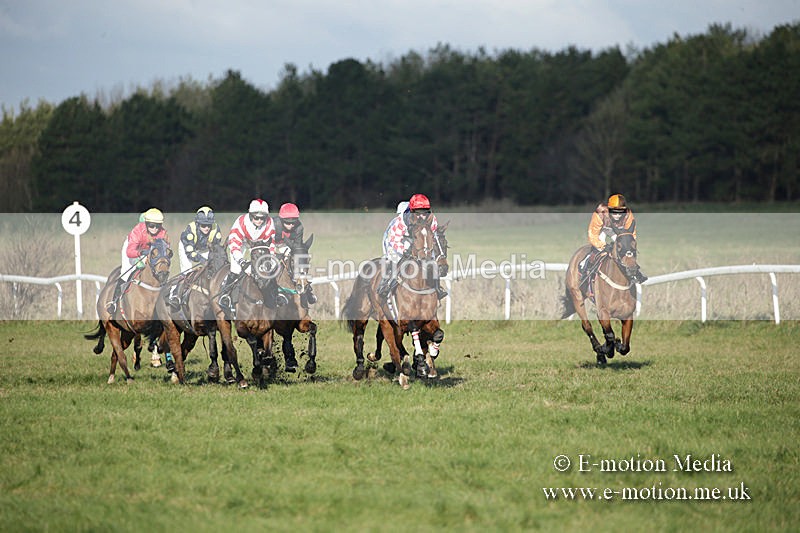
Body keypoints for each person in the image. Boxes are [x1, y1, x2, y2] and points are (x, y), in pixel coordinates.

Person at [217, 199, 283, 315]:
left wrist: (271, 259)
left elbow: (271, 244)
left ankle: (276, 294)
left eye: (262, 218)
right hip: (241, 244)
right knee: (236, 270)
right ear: (250, 215)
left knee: (268, 269)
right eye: (256, 217)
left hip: (259, 246)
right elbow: (234, 246)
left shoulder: (270, 223)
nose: (259, 220)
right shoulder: (241, 222)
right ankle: (225, 295)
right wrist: (243, 262)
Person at [378, 194, 447, 300]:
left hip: (416, 238)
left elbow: (434, 237)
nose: (422, 216)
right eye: (418, 213)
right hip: (395, 239)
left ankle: (438, 288)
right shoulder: (402, 221)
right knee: (395, 259)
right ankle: (385, 285)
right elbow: (394, 240)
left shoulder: (432, 220)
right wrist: (404, 251)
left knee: (431, 259)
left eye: (424, 212)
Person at [109, 208, 170, 313]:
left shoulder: (163, 233)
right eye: (152, 225)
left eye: (158, 226)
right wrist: (140, 254)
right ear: (146, 224)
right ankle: (114, 302)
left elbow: (165, 251)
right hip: (133, 249)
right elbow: (130, 252)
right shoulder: (137, 231)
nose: (155, 228)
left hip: (149, 252)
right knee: (125, 273)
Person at [583, 193, 647, 283]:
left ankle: (635, 272)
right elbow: (593, 235)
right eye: (614, 212)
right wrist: (603, 246)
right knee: (598, 249)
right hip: (602, 229)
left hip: (618, 231)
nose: (617, 215)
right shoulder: (600, 213)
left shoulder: (628, 214)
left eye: (620, 212)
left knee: (627, 249)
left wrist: (629, 247)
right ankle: (587, 270)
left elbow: (631, 235)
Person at [272, 202, 316, 306]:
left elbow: (297, 247)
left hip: (286, 245)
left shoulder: (299, 227)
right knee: (271, 263)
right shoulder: (273, 224)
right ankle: (271, 287)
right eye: (287, 223)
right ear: (281, 220)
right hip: (271, 244)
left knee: (298, 260)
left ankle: (306, 287)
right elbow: (267, 241)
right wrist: (275, 254)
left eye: (293, 222)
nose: (291, 225)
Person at [178, 206, 224, 273]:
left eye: (209, 225)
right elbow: (190, 253)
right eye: (203, 225)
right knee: (186, 271)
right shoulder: (190, 231)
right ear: (198, 224)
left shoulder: (215, 229)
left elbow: (216, 249)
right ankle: (183, 278)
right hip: (187, 248)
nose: (206, 228)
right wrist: (202, 260)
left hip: (205, 248)